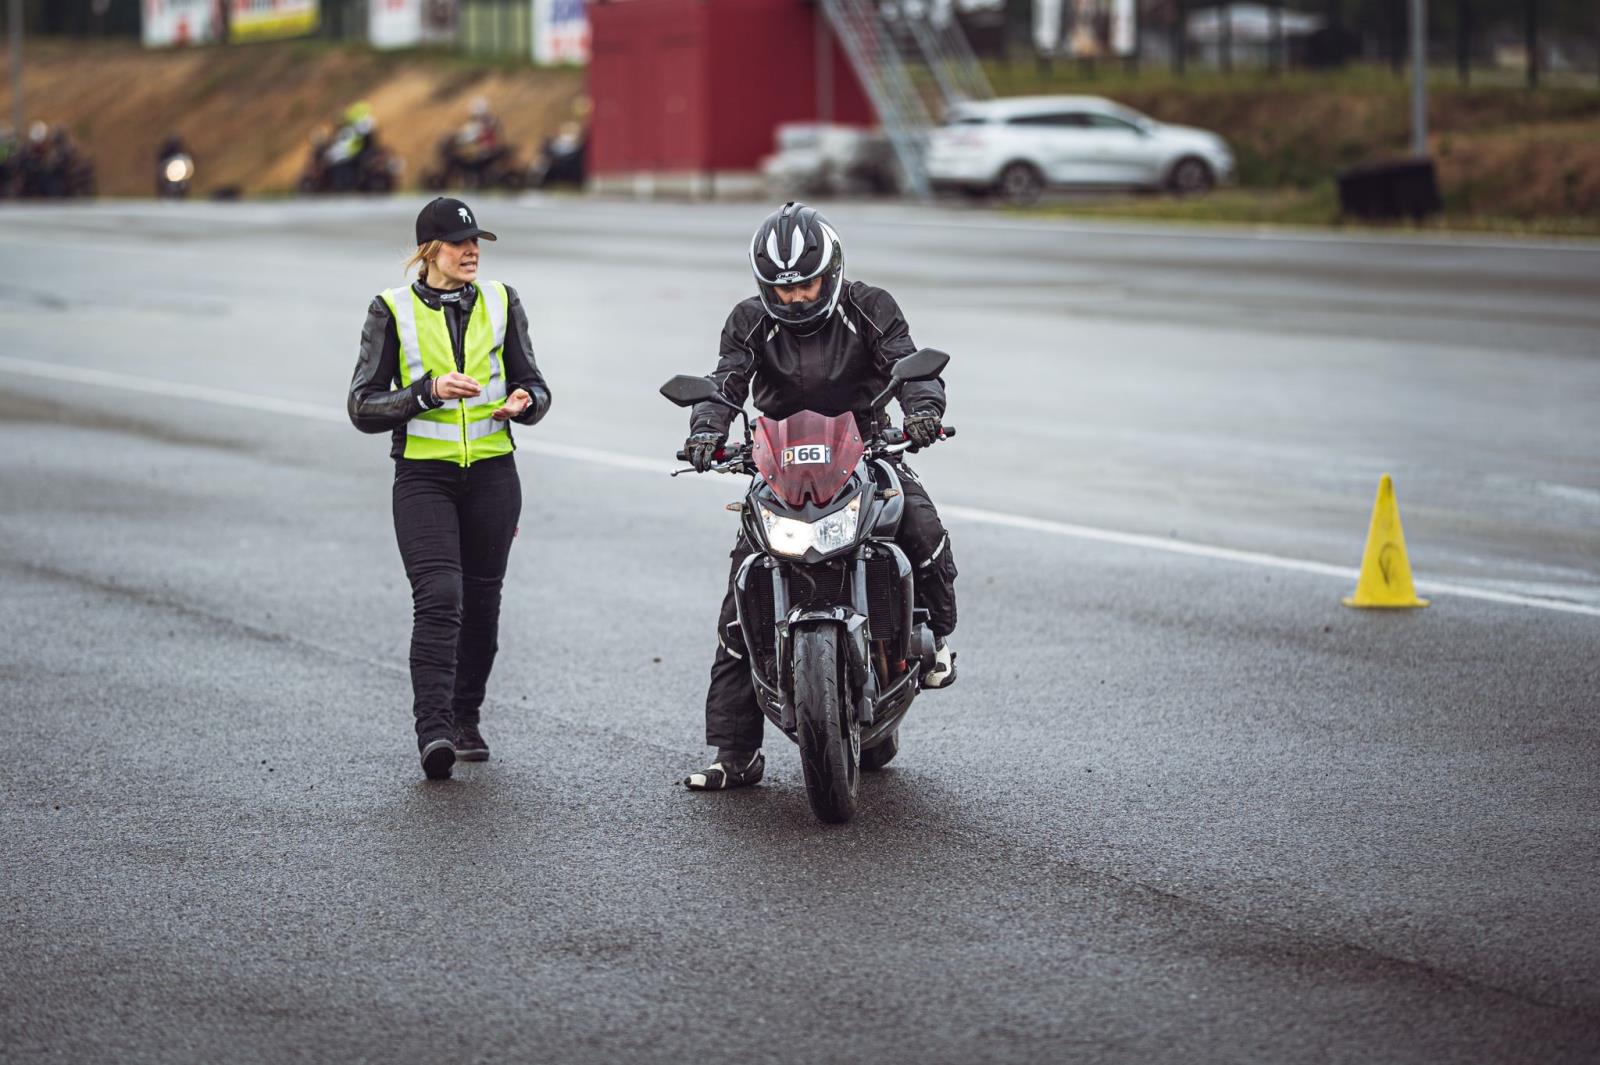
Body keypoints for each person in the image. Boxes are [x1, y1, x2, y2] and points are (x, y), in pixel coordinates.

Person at [681, 202, 959, 792]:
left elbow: (911, 367)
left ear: (830, 272)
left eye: (806, 284)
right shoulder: (748, 320)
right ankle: (734, 754)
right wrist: (707, 430)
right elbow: (726, 381)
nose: (796, 299)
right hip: (779, 460)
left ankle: (933, 643)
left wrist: (924, 412)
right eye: (782, 290)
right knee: (742, 596)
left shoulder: (870, 305)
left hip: (865, 446)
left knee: (922, 529)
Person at [348, 197, 552, 780]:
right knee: (440, 597)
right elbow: (362, 405)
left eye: (476, 242)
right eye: (460, 242)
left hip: (493, 474)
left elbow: (534, 383)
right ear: (428, 250)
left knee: (482, 605)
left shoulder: (502, 300)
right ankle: (433, 731)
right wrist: (426, 391)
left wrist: (525, 403)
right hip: (424, 477)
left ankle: (466, 718)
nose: (472, 252)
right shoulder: (390, 309)